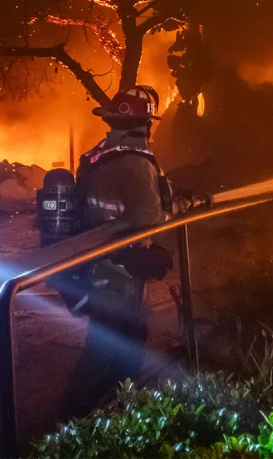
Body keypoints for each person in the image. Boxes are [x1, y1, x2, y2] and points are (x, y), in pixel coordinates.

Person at [60, 85, 174, 418]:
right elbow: (148, 217)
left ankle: (113, 415)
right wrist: (173, 209)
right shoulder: (136, 163)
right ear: (144, 124)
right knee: (112, 347)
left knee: (120, 340)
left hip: (99, 265)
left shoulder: (101, 155)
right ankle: (73, 423)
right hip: (119, 272)